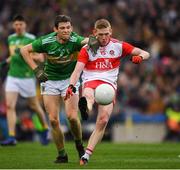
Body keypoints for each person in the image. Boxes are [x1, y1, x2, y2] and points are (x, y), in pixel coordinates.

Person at [65, 19, 150, 165]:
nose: (104, 37)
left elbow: (145, 52)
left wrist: (140, 57)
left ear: (110, 32)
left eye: (106, 34)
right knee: (89, 96)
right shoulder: (87, 49)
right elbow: (77, 70)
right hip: (91, 80)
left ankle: (86, 155)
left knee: (103, 120)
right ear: (94, 33)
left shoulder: (118, 46)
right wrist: (71, 86)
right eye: (101, 34)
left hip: (109, 85)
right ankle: (86, 107)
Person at [21, 14, 98, 163]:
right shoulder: (46, 41)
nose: (66, 31)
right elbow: (24, 50)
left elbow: (86, 41)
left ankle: (79, 144)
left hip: (70, 80)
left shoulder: (74, 40)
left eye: (68, 27)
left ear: (72, 28)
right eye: (62, 28)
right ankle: (62, 154)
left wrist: (92, 40)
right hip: (50, 81)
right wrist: (36, 69)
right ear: (55, 29)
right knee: (53, 120)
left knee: (72, 117)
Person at [0, 15, 49, 146]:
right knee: (10, 106)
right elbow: (13, 55)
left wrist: (23, 53)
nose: (18, 27)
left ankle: (44, 128)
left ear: (25, 25)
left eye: (20, 24)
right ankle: (11, 136)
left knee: (35, 106)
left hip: (27, 77)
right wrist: (5, 62)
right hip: (13, 76)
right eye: (16, 24)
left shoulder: (31, 39)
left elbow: (40, 58)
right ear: (13, 25)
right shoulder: (11, 38)